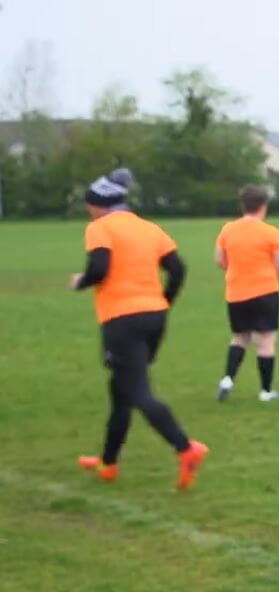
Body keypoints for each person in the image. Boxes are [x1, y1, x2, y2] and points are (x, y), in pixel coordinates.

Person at [72, 168, 209, 489]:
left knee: (136, 391)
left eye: (89, 204)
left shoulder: (100, 228)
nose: (88, 210)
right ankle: (108, 462)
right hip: (154, 317)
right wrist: (163, 301)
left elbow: (99, 266)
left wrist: (82, 282)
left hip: (121, 319)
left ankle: (185, 447)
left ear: (99, 204)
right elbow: (177, 268)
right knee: (121, 388)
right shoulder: (149, 228)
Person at [214, 185, 279, 402]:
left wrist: (237, 271)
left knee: (239, 338)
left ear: (242, 205)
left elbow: (219, 260)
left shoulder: (227, 230)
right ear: (263, 207)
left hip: (236, 293)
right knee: (265, 341)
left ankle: (227, 379)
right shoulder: (271, 233)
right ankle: (266, 391)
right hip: (265, 292)